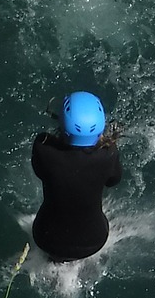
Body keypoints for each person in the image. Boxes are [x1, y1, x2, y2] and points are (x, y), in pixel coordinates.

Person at [30, 90, 121, 262]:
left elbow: (39, 171)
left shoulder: (43, 147)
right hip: (93, 241)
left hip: (45, 238)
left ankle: (54, 261)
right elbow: (113, 180)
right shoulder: (108, 154)